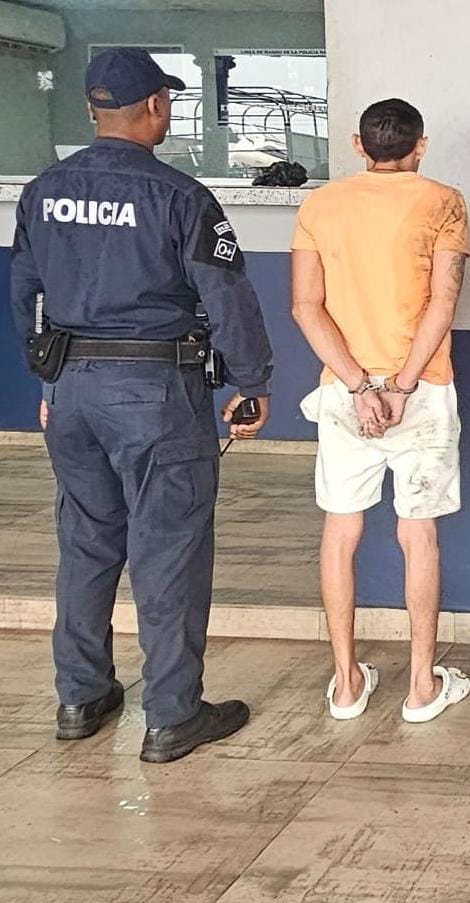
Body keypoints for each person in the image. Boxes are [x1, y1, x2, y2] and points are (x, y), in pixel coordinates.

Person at [9, 47, 273, 763]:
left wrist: (49, 382)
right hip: (156, 393)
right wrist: (252, 382)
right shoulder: (179, 196)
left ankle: (80, 695)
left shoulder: (42, 192)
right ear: (155, 105)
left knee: (86, 541)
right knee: (169, 547)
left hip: (72, 391)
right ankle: (172, 713)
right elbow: (226, 296)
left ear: (92, 109)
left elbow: (26, 294)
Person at [291, 98, 470, 724]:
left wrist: (359, 386)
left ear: (357, 145)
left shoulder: (320, 205)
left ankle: (346, 684)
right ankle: (421, 686)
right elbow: (442, 304)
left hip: (345, 394)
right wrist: (400, 385)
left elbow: (305, 307)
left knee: (341, 532)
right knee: (417, 534)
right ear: (420, 146)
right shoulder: (444, 201)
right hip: (423, 389)